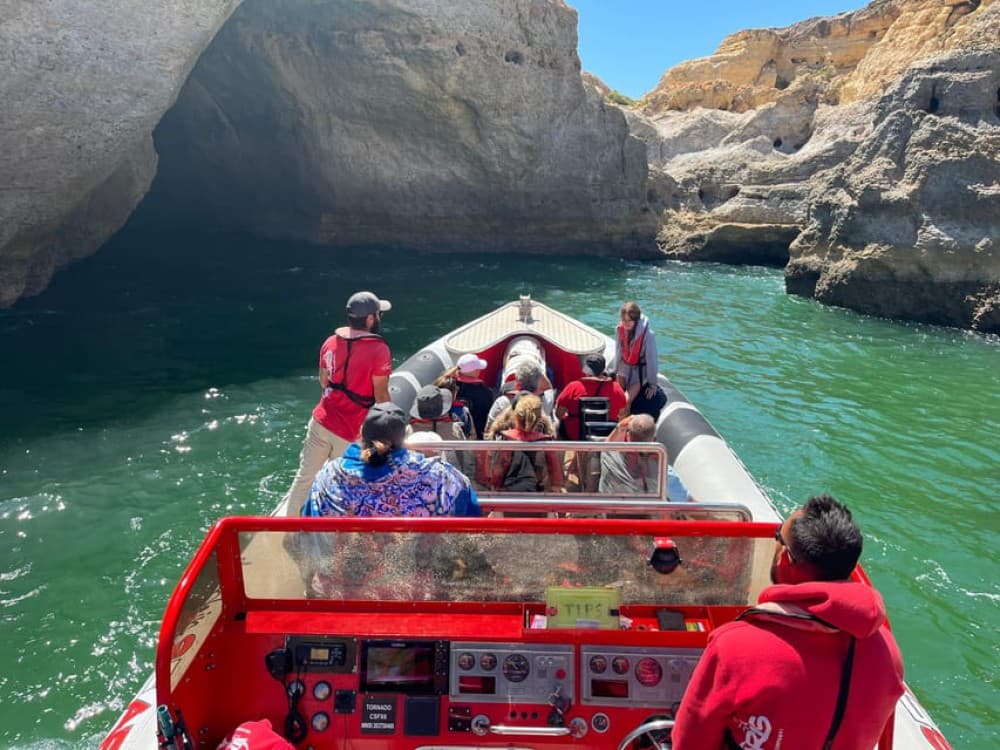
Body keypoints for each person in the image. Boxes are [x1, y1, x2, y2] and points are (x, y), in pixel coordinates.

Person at [671, 494, 904, 750]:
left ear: (786, 557)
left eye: (777, 537)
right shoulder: (887, 652)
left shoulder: (735, 647)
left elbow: (689, 742)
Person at [282, 291, 393, 516]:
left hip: (321, 420)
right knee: (343, 483)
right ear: (371, 319)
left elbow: (324, 381)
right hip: (350, 430)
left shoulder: (330, 342)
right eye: (379, 313)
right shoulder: (379, 350)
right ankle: (331, 536)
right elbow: (381, 396)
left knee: (305, 477)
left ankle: (289, 527)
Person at [303, 403, 481, 518]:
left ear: (362, 434)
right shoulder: (440, 476)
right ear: (403, 438)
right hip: (420, 576)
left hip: (340, 575)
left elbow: (308, 522)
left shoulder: (329, 476)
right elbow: (470, 516)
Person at [598, 414, 692, 500]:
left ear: (627, 436)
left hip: (612, 515)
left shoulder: (609, 457)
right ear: (654, 441)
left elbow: (608, 444)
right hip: (646, 516)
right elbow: (692, 507)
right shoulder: (664, 473)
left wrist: (620, 427)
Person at [485, 394, 564, 492]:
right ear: (539, 419)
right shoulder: (547, 443)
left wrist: (495, 488)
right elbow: (556, 480)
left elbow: (498, 472)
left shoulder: (505, 439)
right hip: (537, 496)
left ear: (515, 416)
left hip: (508, 495)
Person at [554, 353, 627, 441]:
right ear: (603, 370)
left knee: (557, 425)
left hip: (575, 436)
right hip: (606, 436)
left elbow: (559, 413)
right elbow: (622, 413)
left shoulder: (573, 387)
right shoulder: (616, 388)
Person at [612, 301, 659, 412]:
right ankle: (614, 422)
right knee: (617, 397)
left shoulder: (648, 335)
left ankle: (624, 426)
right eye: (624, 320)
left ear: (636, 320)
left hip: (637, 372)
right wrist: (614, 370)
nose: (626, 323)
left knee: (627, 400)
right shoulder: (619, 329)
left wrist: (652, 384)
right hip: (624, 367)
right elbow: (618, 350)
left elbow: (651, 360)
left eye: (629, 320)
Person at [485, 359, 554, 433]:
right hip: (536, 443)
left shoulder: (501, 403)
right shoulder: (547, 400)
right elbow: (549, 387)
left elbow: (488, 431)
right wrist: (539, 375)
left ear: (517, 384)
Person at [454, 353, 495, 440]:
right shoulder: (484, 392)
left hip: (454, 433)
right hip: (477, 436)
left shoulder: (449, 385)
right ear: (475, 371)